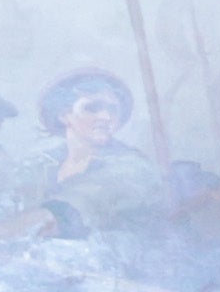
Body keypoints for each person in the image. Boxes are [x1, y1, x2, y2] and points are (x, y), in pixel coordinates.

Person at [10, 70, 173, 239]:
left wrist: (26, 224)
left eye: (113, 110)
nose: (106, 116)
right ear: (63, 115)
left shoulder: (133, 166)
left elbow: (87, 200)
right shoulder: (39, 163)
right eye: (92, 108)